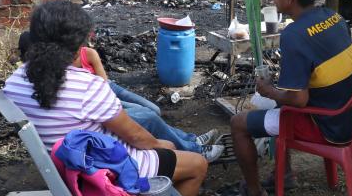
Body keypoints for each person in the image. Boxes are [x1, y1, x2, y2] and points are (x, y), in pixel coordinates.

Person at [4, 0, 207, 196]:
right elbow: (136, 137)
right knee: (196, 163)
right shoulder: (87, 86)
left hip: (68, 168)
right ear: (77, 47)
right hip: (104, 170)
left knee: (162, 140)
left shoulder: (14, 83)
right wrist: (161, 145)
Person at [230, 0, 352, 196]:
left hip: (325, 126)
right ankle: (285, 174)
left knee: (238, 124)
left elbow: (299, 99)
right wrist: (279, 92)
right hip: (348, 115)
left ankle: (255, 194)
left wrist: (269, 90)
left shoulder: (294, 34)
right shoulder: (333, 16)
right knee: (282, 98)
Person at [18, 31, 225, 162]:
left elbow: (103, 84)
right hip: (97, 113)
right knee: (149, 117)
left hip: (103, 93)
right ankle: (195, 149)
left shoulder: (25, 80)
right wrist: (162, 146)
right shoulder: (56, 75)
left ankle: (190, 140)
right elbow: (132, 134)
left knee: (152, 111)